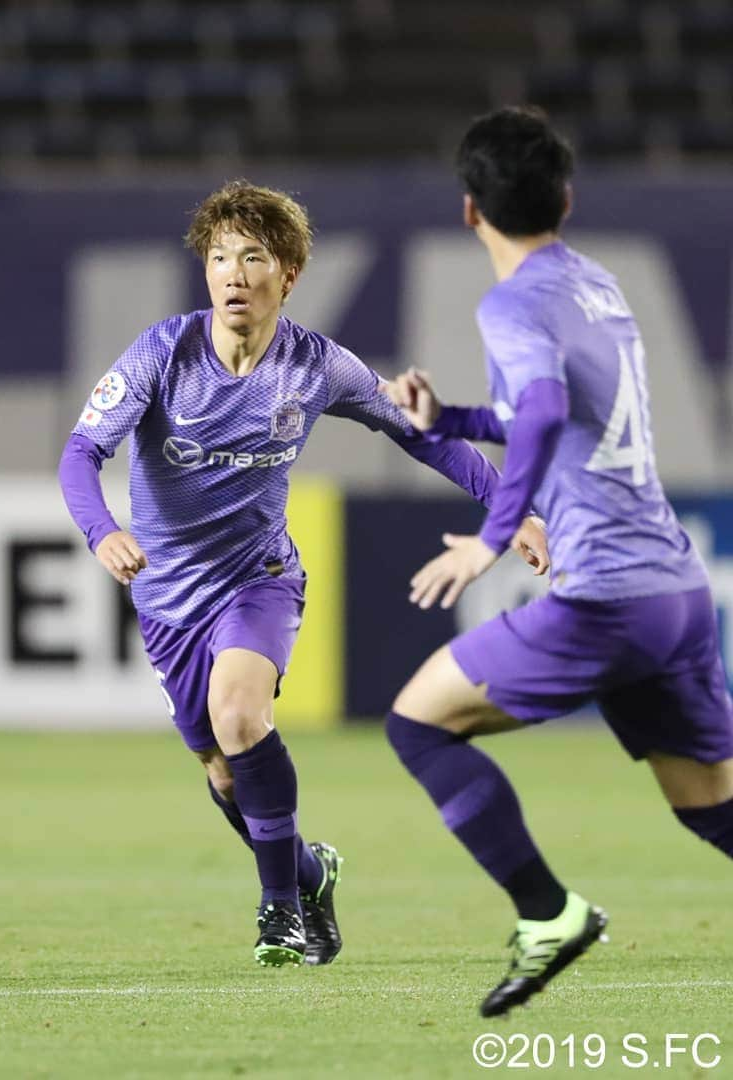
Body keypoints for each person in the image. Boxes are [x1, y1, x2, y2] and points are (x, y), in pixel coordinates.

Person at [59, 179, 548, 966]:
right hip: (166, 600)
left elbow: (422, 436)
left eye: (252, 257)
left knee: (241, 716)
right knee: (223, 774)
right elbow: (82, 452)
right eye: (219, 257)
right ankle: (308, 874)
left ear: (287, 274)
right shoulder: (161, 353)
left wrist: (510, 506)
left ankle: (279, 909)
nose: (232, 273)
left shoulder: (317, 366)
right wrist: (102, 529)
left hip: (259, 578)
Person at [383, 106, 733, 1016]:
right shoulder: (596, 285)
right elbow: (561, 411)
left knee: (418, 725)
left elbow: (539, 411)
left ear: (470, 211)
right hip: (676, 590)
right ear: (565, 200)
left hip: (607, 596)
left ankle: (549, 913)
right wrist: (449, 421)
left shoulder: (512, 303)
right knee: (709, 807)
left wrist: (493, 535)